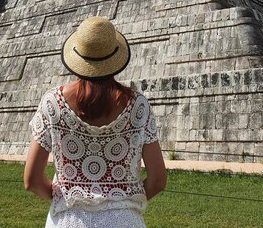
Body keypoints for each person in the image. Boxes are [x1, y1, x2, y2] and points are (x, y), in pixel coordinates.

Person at [24, 16, 167, 228]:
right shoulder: (138, 106)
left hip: (68, 220)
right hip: (123, 220)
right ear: (115, 55)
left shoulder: (53, 103)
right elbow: (157, 180)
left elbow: (32, 181)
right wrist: (123, 201)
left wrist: (65, 198)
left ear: (78, 55)